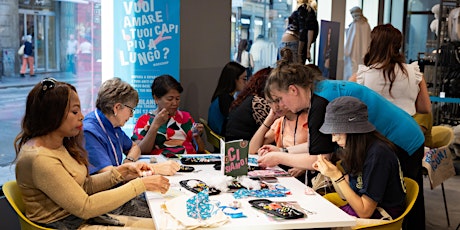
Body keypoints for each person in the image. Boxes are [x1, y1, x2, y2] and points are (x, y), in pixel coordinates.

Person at [259, 63, 425, 230]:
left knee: (396, 203)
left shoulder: (321, 102)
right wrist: (283, 151)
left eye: (279, 99)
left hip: (402, 142)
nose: (280, 106)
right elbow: (318, 147)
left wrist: (279, 157)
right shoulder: (320, 91)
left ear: (293, 90)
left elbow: (319, 158)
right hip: (399, 134)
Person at [14, 78, 170, 229]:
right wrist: (140, 184)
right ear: (53, 114)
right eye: (75, 111)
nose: (81, 116)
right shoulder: (40, 159)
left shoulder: (58, 145)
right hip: (69, 224)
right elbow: (85, 206)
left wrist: (123, 171)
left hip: (79, 219)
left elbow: (84, 185)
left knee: (163, 223)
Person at [313, 96, 405, 224]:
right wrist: (331, 174)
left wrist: (337, 176)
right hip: (364, 207)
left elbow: (365, 212)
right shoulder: (357, 148)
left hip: (383, 215)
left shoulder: (378, 155)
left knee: (322, 223)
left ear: (353, 131)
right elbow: (345, 195)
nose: (334, 139)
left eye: (336, 133)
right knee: (317, 212)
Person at [84, 77, 180, 175]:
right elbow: (108, 176)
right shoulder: (89, 132)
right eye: (131, 110)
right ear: (117, 108)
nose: (131, 115)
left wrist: (128, 162)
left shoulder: (113, 125)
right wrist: (154, 169)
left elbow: (134, 147)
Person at [351, 24, 431, 117]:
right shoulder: (414, 73)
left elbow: (347, 106)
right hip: (406, 129)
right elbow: (425, 108)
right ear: (398, 46)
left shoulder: (362, 75)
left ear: (373, 45)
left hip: (375, 129)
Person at [132, 75, 206, 156]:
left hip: (188, 163)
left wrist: (197, 137)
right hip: (160, 165)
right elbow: (141, 151)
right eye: (170, 99)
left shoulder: (186, 118)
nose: (175, 103)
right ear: (156, 98)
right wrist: (155, 126)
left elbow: (200, 151)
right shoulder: (144, 120)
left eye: (177, 99)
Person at [225, 67, 272, 141]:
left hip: (234, 145)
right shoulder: (258, 102)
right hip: (244, 147)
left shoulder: (246, 98)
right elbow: (273, 128)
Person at [208, 61, 247, 137]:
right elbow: (234, 122)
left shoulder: (222, 96)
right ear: (234, 79)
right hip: (225, 141)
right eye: (244, 79)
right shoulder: (225, 99)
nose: (246, 83)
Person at [343, 6, 371, 80]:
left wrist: (346, 51)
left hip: (354, 54)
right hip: (364, 53)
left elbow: (350, 41)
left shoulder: (354, 25)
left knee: (353, 71)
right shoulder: (367, 24)